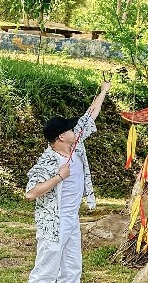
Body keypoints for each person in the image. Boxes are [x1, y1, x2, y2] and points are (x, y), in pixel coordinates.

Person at [25, 80, 111, 283]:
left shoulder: (76, 145)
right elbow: (30, 193)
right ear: (62, 136)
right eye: (70, 129)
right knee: (46, 271)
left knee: (72, 269)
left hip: (72, 219)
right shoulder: (48, 160)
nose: (76, 130)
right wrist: (59, 177)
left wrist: (104, 91)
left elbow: (90, 116)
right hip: (54, 221)